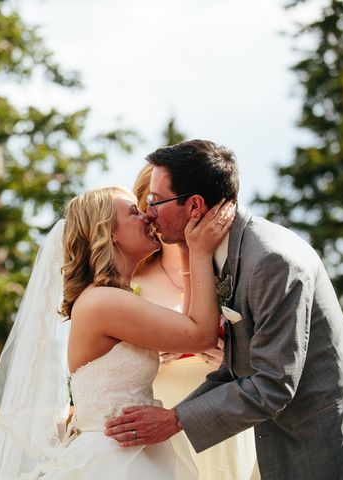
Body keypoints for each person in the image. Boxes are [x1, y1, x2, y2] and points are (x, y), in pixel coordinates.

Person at [105, 140, 343, 479]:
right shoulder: (226, 250)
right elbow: (236, 369)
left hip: (310, 443)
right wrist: (174, 416)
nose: (148, 212)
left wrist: (175, 421)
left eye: (156, 201)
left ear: (194, 206)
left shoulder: (270, 261)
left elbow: (274, 383)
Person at [0, 185, 235, 480]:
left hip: (133, 453)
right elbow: (200, 335)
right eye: (134, 212)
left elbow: (188, 326)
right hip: (114, 462)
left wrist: (184, 249)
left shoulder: (112, 299)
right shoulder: (103, 301)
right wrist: (200, 250)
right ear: (109, 233)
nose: (147, 216)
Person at [132, 163, 259, 480]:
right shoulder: (129, 280)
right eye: (155, 201)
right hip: (158, 414)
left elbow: (276, 354)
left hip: (223, 414)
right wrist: (147, 357)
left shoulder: (233, 270)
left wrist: (233, 357)